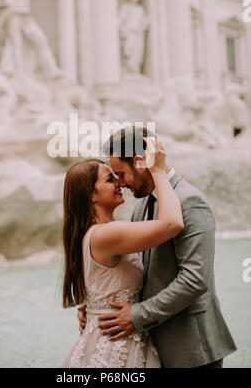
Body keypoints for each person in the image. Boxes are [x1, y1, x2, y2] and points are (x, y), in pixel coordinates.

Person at [78, 126, 237, 368]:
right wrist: (95, 310)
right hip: (154, 345)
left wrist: (137, 315)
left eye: (121, 173)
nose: (121, 183)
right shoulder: (141, 205)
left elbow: (194, 279)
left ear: (141, 162)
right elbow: (134, 272)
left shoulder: (190, 200)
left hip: (191, 347)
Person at [60, 138, 184, 368]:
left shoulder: (95, 234)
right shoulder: (106, 235)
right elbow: (172, 224)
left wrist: (94, 310)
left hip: (114, 336)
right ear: (91, 196)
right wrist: (158, 171)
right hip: (116, 346)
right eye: (110, 179)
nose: (120, 183)